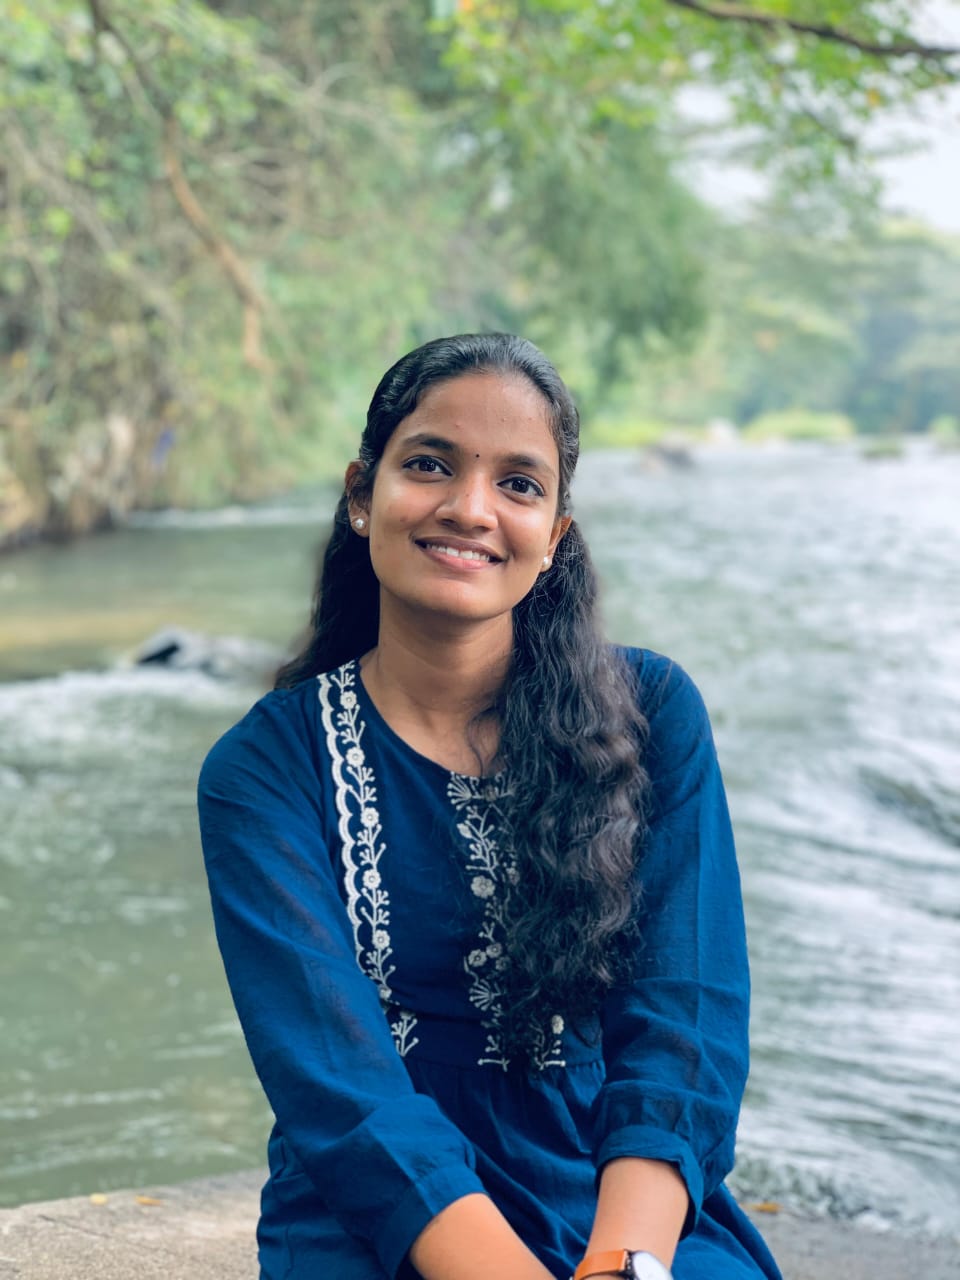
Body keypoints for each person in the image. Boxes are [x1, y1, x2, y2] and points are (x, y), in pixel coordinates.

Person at [197, 333, 782, 1280]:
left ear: (554, 534)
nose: (470, 509)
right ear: (362, 494)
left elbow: (686, 1018)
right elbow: (339, 1089)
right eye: (430, 464)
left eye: (519, 483)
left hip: (616, 1188)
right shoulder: (268, 766)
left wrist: (622, 1263)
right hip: (374, 1209)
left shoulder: (653, 714)